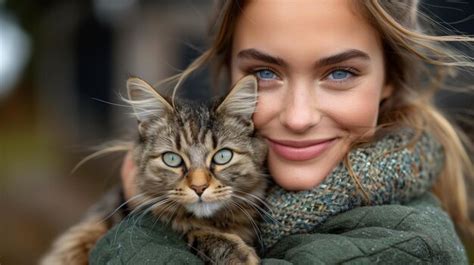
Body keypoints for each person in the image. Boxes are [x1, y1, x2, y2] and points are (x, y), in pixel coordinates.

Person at [91, 0, 473, 263]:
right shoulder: (245, 187)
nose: (298, 117)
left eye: (340, 72)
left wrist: (144, 221)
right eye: (265, 73)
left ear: (390, 78)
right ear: (229, 78)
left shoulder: (411, 244)